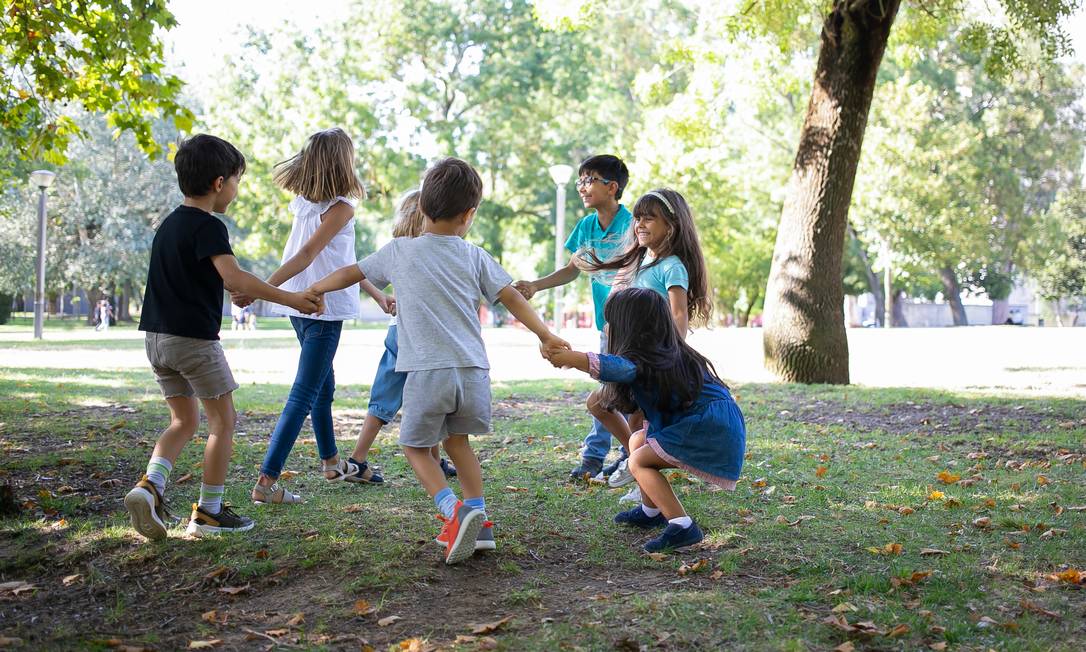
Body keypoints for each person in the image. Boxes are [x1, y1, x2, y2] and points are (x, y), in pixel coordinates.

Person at [308, 157, 569, 564]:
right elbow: (512, 296)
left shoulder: (400, 251)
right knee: (458, 444)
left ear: (422, 209)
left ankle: (453, 511)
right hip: (473, 372)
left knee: (414, 446)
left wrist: (317, 287)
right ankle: (480, 522)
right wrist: (546, 334)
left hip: (428, 372)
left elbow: (351, 272)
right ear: (469, 215)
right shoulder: (474, 255)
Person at [124, 134, 321, 541]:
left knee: (182, 420)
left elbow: (214, 281)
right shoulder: (209, 227)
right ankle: (209, 512)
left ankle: (150, 486)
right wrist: (293, 299)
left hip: (156, 341)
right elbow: (233, 278)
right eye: (236, 180)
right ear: (219, 183)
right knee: (222, 422)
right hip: (193, 342)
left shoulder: (168, 226)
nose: (236, 189)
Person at [239, 128, 392, 505]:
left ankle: (330, 462)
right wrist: (259, 289)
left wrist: (375, 292)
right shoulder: (340, 207)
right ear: (344, 162)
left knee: (324, 385)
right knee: (305, 392)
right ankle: (266, 481)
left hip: (300, 304)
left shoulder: (304, 204)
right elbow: (307, 255)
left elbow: (343, 261)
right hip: (321, 307)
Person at [544, 288, 745, 552]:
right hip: (710, 424)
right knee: (638, 441)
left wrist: (573, 359)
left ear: (630, 328)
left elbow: (617, 367)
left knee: (638, 461)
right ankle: (651, 512)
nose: (606, 328)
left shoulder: (645, 360)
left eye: (610, 322)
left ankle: (683, 526)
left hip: (707, 428)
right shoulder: (664, 354)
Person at [583, 188, 712, 499]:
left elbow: (678, 314)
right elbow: (617, 300)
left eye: (649, 218)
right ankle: (635, 461)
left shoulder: (672, 266)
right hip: (629, 356)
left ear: (671, 224)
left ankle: (642, 481)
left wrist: (674, 355)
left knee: (640, 420)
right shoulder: (637, 261)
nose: (639, 224)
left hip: (655, 360)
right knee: (600, 405)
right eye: (637, 218)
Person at [513, 154, 633, 483]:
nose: (582, 187)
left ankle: (600, 456)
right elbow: (571, 270)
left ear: (612, 187)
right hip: (605, 325)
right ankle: (622, 453)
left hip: (633, 325)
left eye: (589, 180)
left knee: (613, 391)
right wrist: (535, 285)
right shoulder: (586, 227)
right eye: (580, 181)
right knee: (610, 390)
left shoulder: (633, 224)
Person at [344, 189, 457, 486]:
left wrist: (383, 296)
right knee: (427, 395)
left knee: (388, 397)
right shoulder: (433, 249)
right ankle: (360, 460)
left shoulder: (398, 248)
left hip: (399, 331)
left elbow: (359, 271)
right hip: (420, 336)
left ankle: (359, 458)